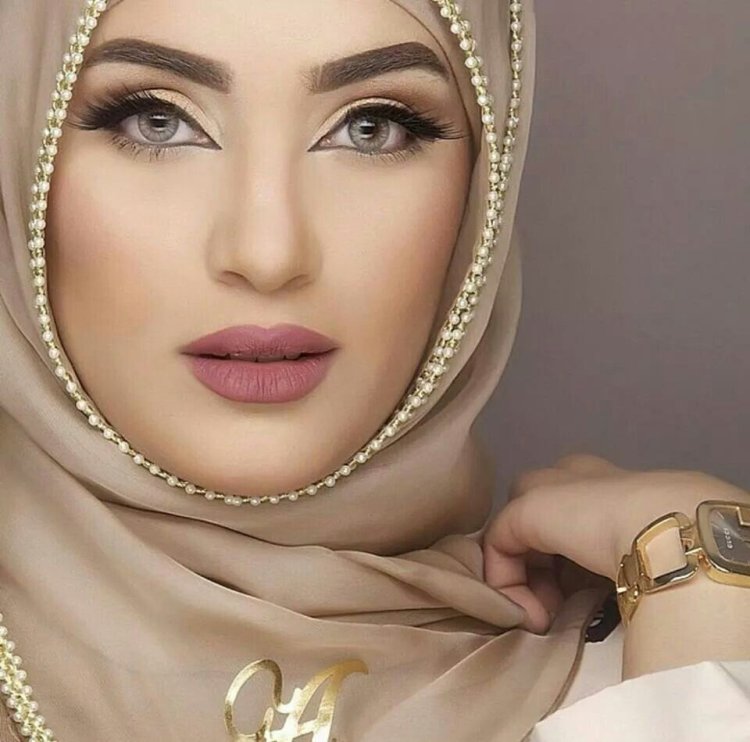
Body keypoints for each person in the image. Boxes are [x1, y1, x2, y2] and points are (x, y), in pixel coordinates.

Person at [0, 1, 748, 740]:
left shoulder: (677, 659)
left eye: (372, 127)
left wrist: (704, 576)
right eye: (155, 121)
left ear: (481, 195)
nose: (269, 254)